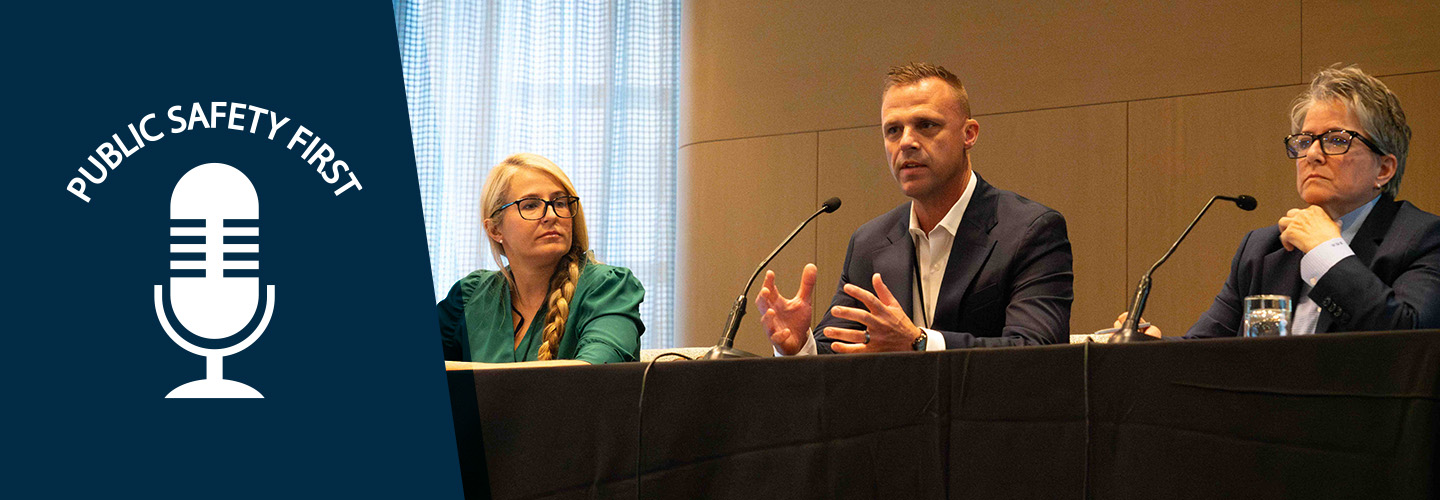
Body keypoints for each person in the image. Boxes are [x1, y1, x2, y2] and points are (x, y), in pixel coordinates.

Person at [758, 62, 1074, 355]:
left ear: (969, 134)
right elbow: (841, 348)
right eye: (893, 130)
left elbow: (1038, 349)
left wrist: (919, 342)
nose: (906, 142)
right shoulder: (870, 242)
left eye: (925, 125)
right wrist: (800, 345)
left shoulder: (1030, 230)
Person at [1117, 65, 1440, 338]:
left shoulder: (1422, 238)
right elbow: (1206, 352)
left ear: (1384, 168)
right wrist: (1153, 350)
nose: (1312, 154)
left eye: (1336, 140)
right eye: (1304, 141)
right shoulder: (1263, 250)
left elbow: (1409, 340)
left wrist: (1326, 251)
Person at [438, 153, 645, 365]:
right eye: (530, 205)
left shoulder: (609, 287)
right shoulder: (470, 295)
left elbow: (593, 374)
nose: (552, 215)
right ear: (494, 229)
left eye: (560, 203)